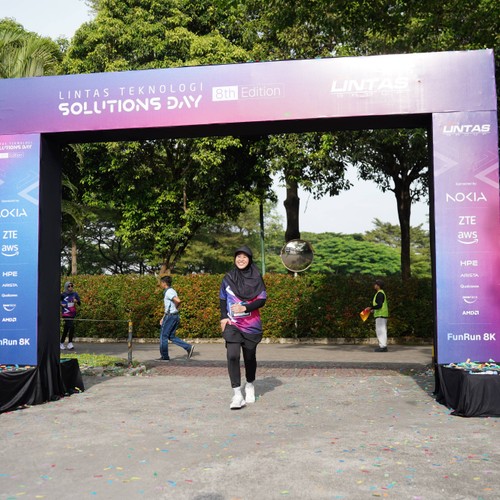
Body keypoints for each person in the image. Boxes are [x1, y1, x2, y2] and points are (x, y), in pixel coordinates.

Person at [220, 246, 267, 410]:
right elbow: (222, 298)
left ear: (249, 259)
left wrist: (245, 308)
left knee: (249, 357)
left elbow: (262, 299)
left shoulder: (256, 277)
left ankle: (250, 384)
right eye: (238, 256)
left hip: (251, 326)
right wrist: (223, 317)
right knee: (232, 355)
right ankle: (237, 394)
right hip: (232, 324)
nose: (241, 259)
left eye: (244, 257)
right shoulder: (228, 278)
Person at [158, 275, 195, 361]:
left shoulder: (168, 292)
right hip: (174, 315)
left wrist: (173, 310)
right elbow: (171, 305)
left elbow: (178, 301)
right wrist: (163, 317)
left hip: (170, 316)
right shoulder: (172, 290)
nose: (160, 284)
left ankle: (165, 357)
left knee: (163, 336)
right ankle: (188, 347)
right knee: (171, 336)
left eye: (161, 283)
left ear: (164, 283)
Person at [368, 279, 389, 352]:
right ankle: (383, 346)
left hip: (380, 315)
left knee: (380, 331)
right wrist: (373, 309)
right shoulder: (380, 293)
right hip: (382, 315)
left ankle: (383, 347)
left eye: (375, 284)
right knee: (382, 331)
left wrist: (371, 308)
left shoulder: (379, 294)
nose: (374, 285)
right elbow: (380, 305)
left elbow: (379, 305)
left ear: (378, 286)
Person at [60, 281, 81, 350]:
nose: (70, 287)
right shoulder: (63, 294)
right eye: (69, 286)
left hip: (72, 313)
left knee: (66, 329)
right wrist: (61, 304)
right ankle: (70, 343)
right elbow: (56, 301)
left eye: (72, 286)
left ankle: (61, 343)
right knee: (72, 326)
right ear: (66, 287)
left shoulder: (75, 294)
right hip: (66, 313)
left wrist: (76, 301)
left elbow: (79, 303)